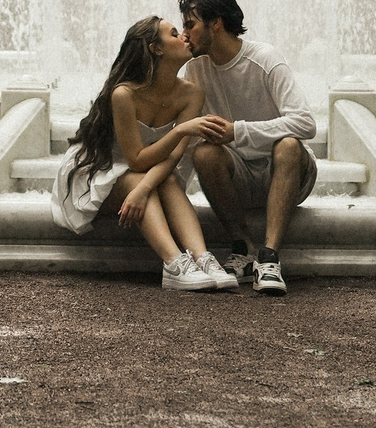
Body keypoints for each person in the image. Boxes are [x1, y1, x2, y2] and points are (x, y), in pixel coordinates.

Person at [48, 16, 236, 291]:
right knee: (140, 180)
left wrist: (143, 188)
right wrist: (180, 131)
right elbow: (135, 159)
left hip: (153, 171)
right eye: (174, 34)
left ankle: (203, 259)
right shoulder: (124, 94)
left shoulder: (192, 93)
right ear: (155, 48)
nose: (184, 36)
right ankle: (174, 264)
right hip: (99, 170)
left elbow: (172, 159)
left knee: (165, 180)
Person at [177, 0, 316, 296]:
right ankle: (243, 247)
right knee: (205, 153)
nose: (184, 35)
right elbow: (187, 138)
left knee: (290, 143)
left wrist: (237, 131)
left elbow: (305, 122)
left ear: (215, 23)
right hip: (238, 176)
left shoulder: (265, 58)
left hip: (286, 170)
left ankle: (269, 257)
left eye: (190, 25)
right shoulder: (194, 68)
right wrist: (173, 192)